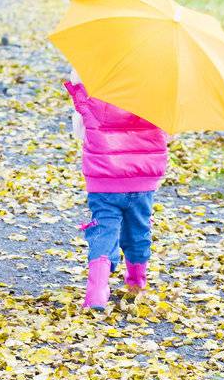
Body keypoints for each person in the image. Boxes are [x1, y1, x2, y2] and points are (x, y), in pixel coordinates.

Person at [64, 77, 169, 310]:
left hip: (104, 180)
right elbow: (168, 135)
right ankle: (136, 282)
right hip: (142, 180)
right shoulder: (160, 94)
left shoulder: (93, 91)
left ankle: (97, 292)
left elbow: (80, 131)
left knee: (103, 230)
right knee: (139, 229)